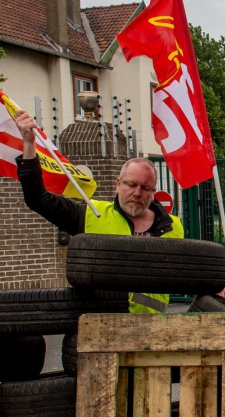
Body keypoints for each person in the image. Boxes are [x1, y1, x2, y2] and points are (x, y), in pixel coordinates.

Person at [14, 108, 183, 313]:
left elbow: (188, 272)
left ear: (153, 191)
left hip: (151, 331)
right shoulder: (91, 215)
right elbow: (37, 199)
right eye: (131, 184)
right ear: (118, 184)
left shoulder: (173, 227)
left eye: (145, 188)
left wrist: (214, 285)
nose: (137, 193)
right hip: (100, 327)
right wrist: (29, 144)